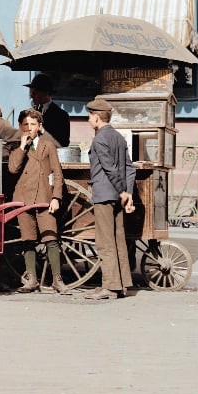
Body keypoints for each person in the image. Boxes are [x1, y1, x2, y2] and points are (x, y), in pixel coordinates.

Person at [7, 109, 68, 294]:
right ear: (20, 126)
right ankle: (31, 280)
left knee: (51, 238)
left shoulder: (48, 145)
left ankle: (58, 280)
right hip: (23, 199)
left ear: (40, 127)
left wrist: (56, 197)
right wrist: (22, 147)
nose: (29, 128)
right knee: (28, 240)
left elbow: (58, 174)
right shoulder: (15, 147)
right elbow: (12, 169)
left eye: (33, 125)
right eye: (25, 125)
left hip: (44, 198)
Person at [84, 96, 136, 300]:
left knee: (105, 242)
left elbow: (109, 169)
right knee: (118, 240)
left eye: (89, 116)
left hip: (104, 195)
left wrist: (123, 191)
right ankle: (122, 284)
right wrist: (127, 193)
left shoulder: (99, 139)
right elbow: (129, 169)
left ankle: (110, 286)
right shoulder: (118, 137)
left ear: (97, 117)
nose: (88, 120)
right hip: (117, 196)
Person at [25, 74, 70, 148]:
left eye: (34, 93)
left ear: (45, 93)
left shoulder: (61, 115)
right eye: (31, 93)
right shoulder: (30, 114)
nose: (31, 96)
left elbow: (63, 144)